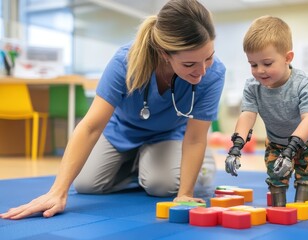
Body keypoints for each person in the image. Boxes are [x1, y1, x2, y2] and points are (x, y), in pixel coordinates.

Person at [0, 0, 225, 220]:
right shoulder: (124, 61)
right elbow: (90, 127)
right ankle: (142, 163)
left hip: (169, 135)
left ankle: (175, 164)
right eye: (189, 64)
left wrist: (184, 194)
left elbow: (195, 138)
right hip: (122, 131)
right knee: (87, 184)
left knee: (163, 186)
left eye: (209, 57)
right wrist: (57, 192)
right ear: (164, 54)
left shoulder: (214, 75)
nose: (202, 71)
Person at [224, 16, 308, 207]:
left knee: (305, 179)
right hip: (276, 142)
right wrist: (236, 147)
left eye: (267, 63)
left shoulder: (303, 83)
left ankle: (302, 209)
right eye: (253, 64)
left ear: (288, 58)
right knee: (276, 180)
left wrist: (291, 149)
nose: (260, 71)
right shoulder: (253, 86)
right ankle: (279, 209)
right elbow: (247, 115)